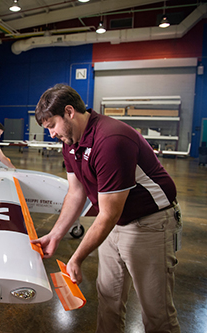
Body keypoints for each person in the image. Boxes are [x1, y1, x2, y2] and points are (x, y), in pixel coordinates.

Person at [32, 84, 181, 333]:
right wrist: (55, 234)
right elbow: (76, 192)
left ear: (69, 112)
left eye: (51, 126)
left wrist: (77, 257)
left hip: (151, 223)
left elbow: (109, 213)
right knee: (109, 301)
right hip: (116, 224)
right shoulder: (71, 141)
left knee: (157, 313)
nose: (51, 134)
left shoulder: (111, 140)